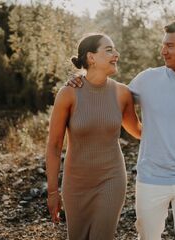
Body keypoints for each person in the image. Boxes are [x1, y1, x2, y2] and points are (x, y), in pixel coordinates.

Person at [67, 20, 175, 240]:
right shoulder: (147, 79)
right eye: (163, 45)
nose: (163, 51)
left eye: (170, 46)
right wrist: (82, 80)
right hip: (151, 180)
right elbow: (113, 95)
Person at [45, 33, 141, 240]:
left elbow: (138, 131)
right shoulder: (68, 93)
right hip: (76, 183)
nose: (116, 54)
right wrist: (52, 192)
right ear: (91, 58)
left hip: (111, 179)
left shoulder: (122, 93)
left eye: (114, 50)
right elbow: (54, 146)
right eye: (109, 50)